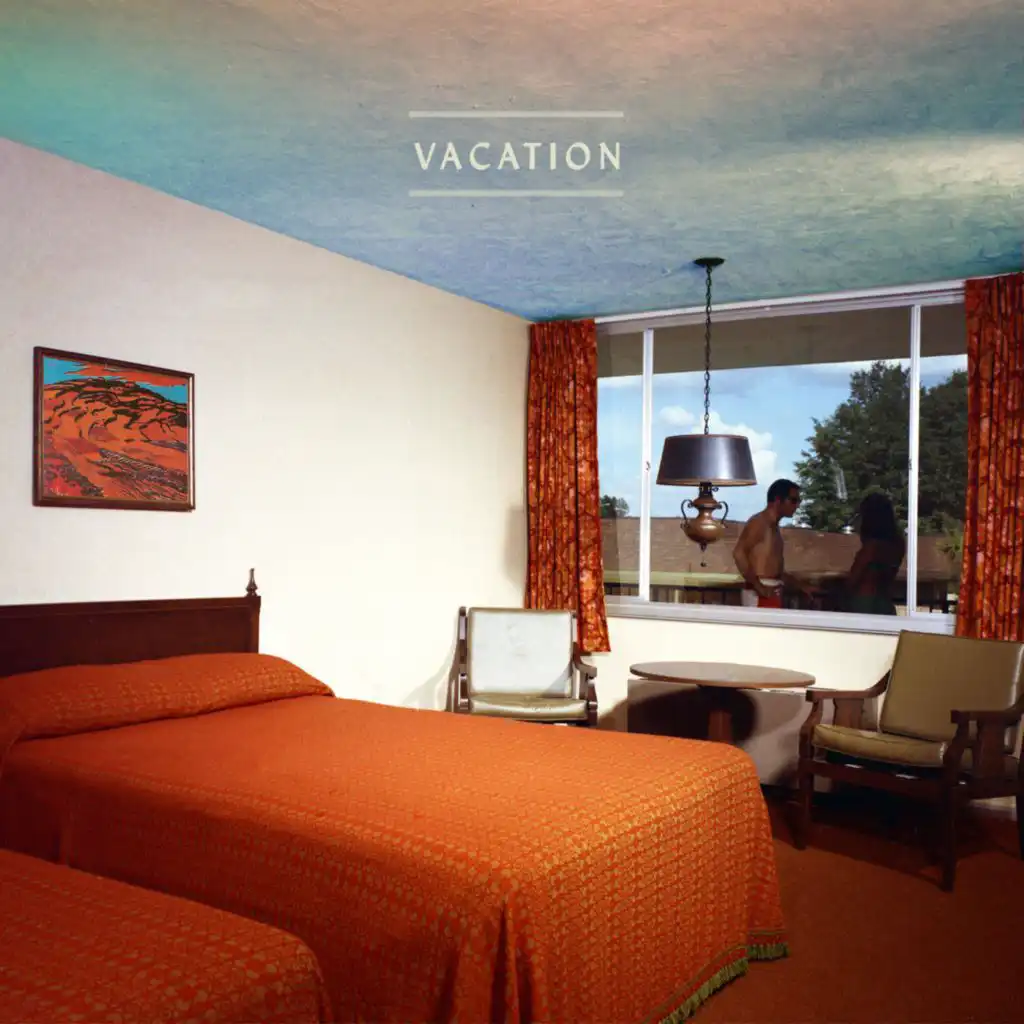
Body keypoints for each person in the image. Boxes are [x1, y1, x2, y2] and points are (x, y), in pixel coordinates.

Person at [733, 479, 812, 608]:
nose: (797, 505)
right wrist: (758, 586)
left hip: (771, 590)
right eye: (793, 500)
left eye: (799, 501)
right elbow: (738, 553)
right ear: (778, 500)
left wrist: (801, 586)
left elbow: (776, 570)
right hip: (761, 593)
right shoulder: (759, 522)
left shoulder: (773, 527)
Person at [844, 492, 905, 616]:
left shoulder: (871, 548)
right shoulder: (897, 545)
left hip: (864, 603)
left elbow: (853, 579)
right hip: (885, 602)